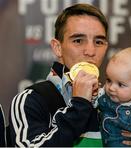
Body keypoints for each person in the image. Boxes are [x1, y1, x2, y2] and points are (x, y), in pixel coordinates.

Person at [8, 3, 108, 147]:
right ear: (58, 48)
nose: (91, 51)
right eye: (78, 41)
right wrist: (79, 105)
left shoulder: (116, 102)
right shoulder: (31, 100)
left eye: (99, 42)